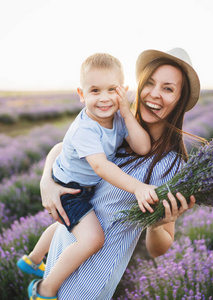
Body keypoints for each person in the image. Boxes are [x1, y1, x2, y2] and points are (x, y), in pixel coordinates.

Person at [30, 47, 200, 300]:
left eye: (168, 88)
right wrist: (48, 182)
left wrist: (158, 221)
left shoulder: (171, 164)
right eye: (150, 83)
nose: (154, 93)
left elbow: (158, 248)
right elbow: (64, 147)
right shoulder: (119, 127)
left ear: (180, 100)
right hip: (64, 250)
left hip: (92, 275)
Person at [17, 52, 159, 299]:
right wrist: (137, 187)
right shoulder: (85, 129)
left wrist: (127, 113)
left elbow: (143, 147)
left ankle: (33, 259)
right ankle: (44, 289)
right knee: (92, 239)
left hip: (82, 186)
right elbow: (102, 167)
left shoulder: (117, 118)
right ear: (81, 94)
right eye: (95, 91)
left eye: (111, 90)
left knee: (66, 227)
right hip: (69, 189)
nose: (104, 98)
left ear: (123, 91)